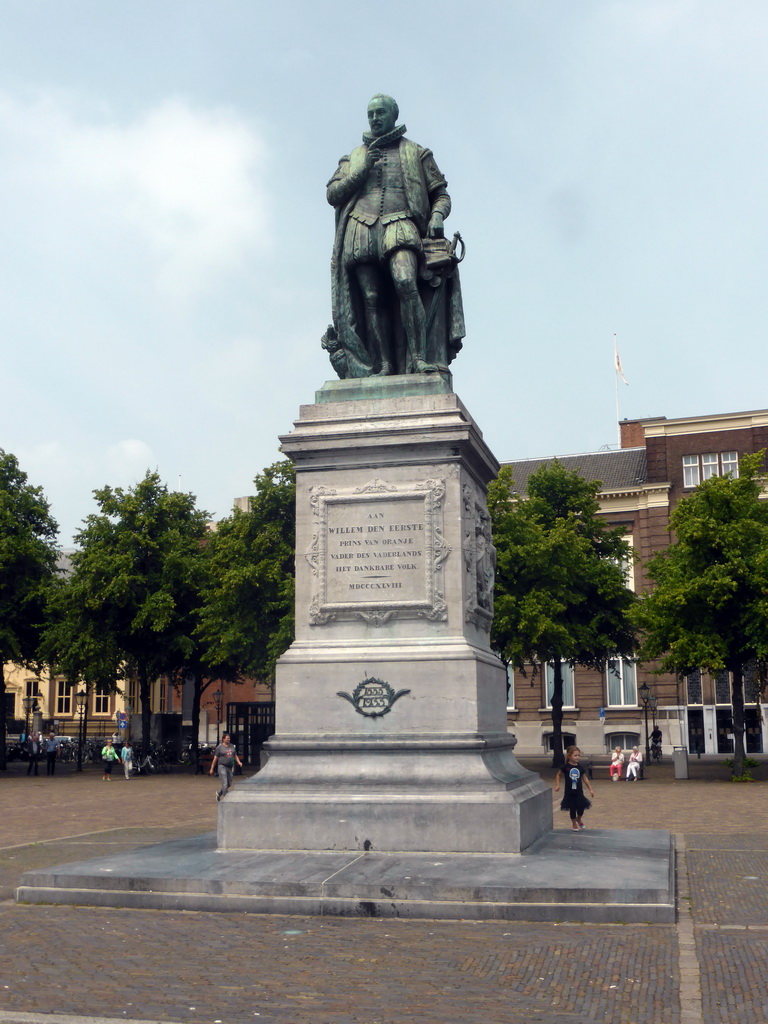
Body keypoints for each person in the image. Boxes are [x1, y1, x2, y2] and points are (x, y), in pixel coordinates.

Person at [325, 94, 465, 378]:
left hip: (401, 222)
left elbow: (440, 195)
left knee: (405, 283)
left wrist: (437, 216)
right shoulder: (353, 158)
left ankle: (418, 357)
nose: (375, 118)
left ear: (393, 116)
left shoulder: (417, 152)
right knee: (371, 298)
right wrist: (361, 171)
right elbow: (332, 194)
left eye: (380, 113)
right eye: (371, 114)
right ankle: (384, 364)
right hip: (360, 227)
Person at [554, 746, 595, 831]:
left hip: (579, 792)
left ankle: (578, 818)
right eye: (575, 755)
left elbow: (585, 778)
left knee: (581, 807)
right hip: (569, 792)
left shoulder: (580, 767)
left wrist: (590, 789)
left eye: (578, 755)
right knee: (572, 808)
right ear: (569, 756)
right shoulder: (565, 767)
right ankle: (574, 824)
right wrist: (558, 785)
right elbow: (558, 775)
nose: (577, 757)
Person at [209, 732, 243, 802]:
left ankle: (219, 793)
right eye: (227, 738)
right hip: (222, 766)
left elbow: (235, 755)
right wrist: (212, 768)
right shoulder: (219, 747)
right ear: (223, 739)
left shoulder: (231, 746)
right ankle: (226, 799)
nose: (229, 740)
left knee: (229, 783)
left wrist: (239, 762)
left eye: (229, 738)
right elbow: (215, 758)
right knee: (224, 783)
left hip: (229, 767)